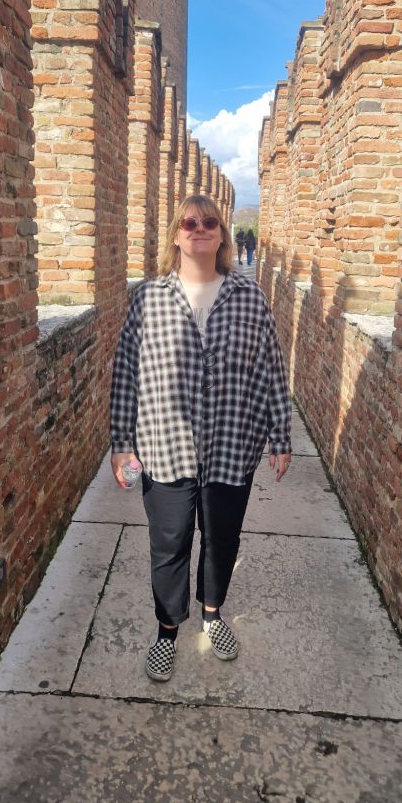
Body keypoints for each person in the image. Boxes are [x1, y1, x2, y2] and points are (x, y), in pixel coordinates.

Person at [110, 195, 292, 682]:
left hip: (232, 444)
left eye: (209, 222)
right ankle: (167, 631)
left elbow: (271, 368)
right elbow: (126, 372)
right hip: (164, 444)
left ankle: (212, 615)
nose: (199, 229)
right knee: (169, 543)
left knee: (221, 538)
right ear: (176, 234)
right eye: (189, 222)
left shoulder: (249, 297)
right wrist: (121, 443)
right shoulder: (149, 299)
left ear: (222, 235)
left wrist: (281, 435)